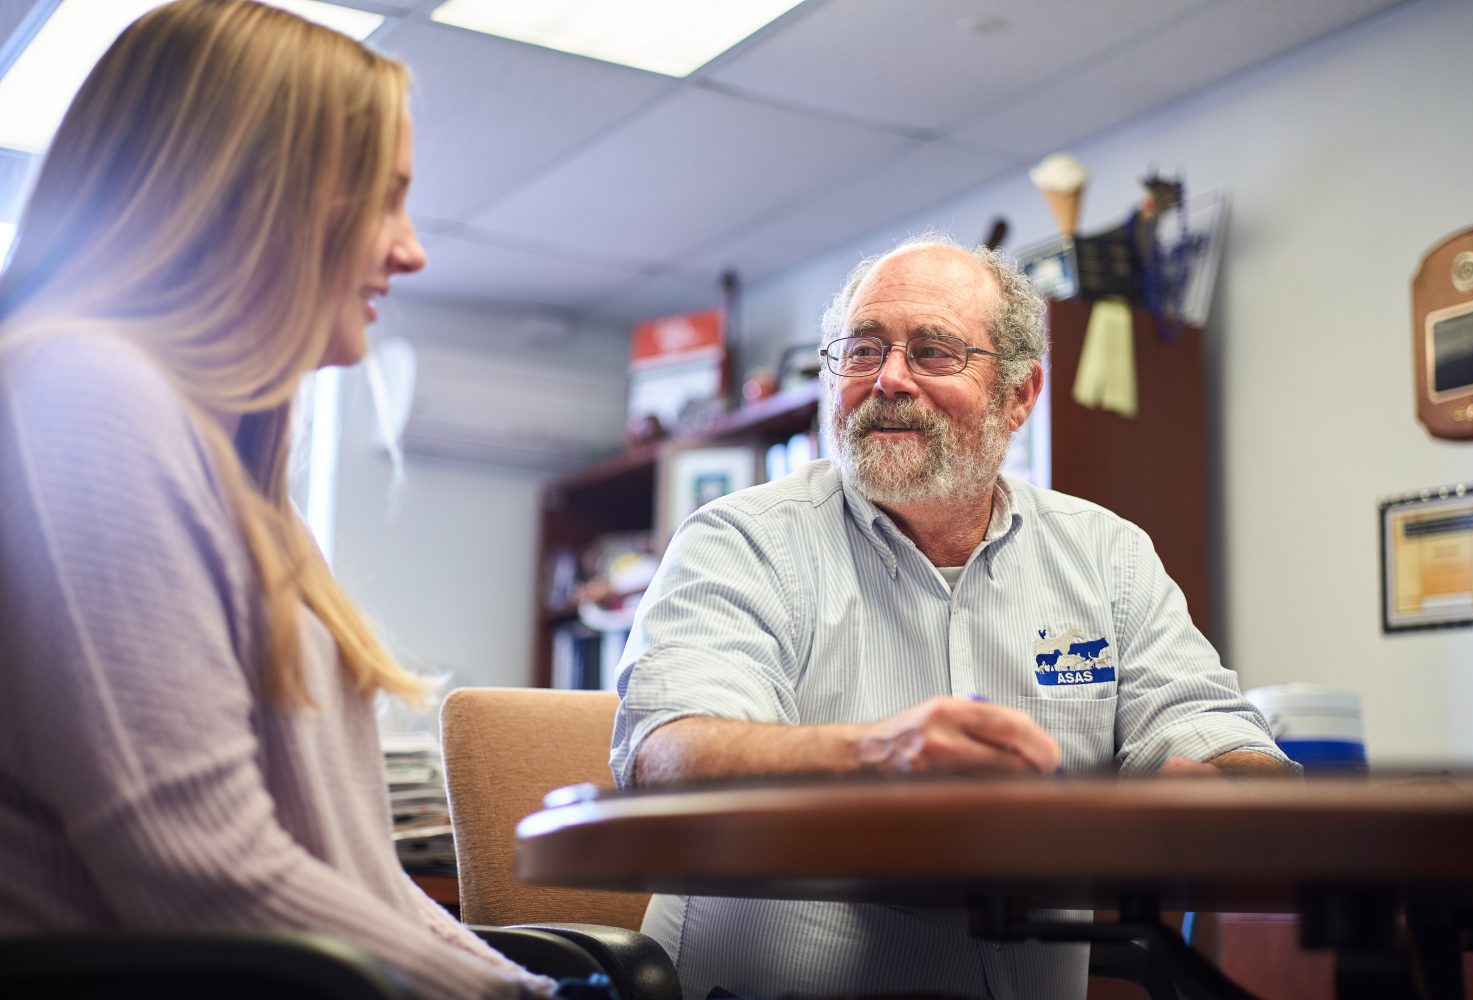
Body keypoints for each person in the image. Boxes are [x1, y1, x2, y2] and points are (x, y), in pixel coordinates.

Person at [0, 3, 553, 997]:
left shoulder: (232, 474)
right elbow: (199, 864)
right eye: (386, 200)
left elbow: (365, 883)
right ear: (256, 196)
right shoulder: (79, 395)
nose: (412, 249)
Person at [609, 234, 1294, 998]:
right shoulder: (741, 539)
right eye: (863, 351)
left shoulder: (1108, 557)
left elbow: (1221, 741)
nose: (889, 379)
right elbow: (667, 756)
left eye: (933, 352)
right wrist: (877, 756)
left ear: (1020, 396)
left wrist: (1215, 789)